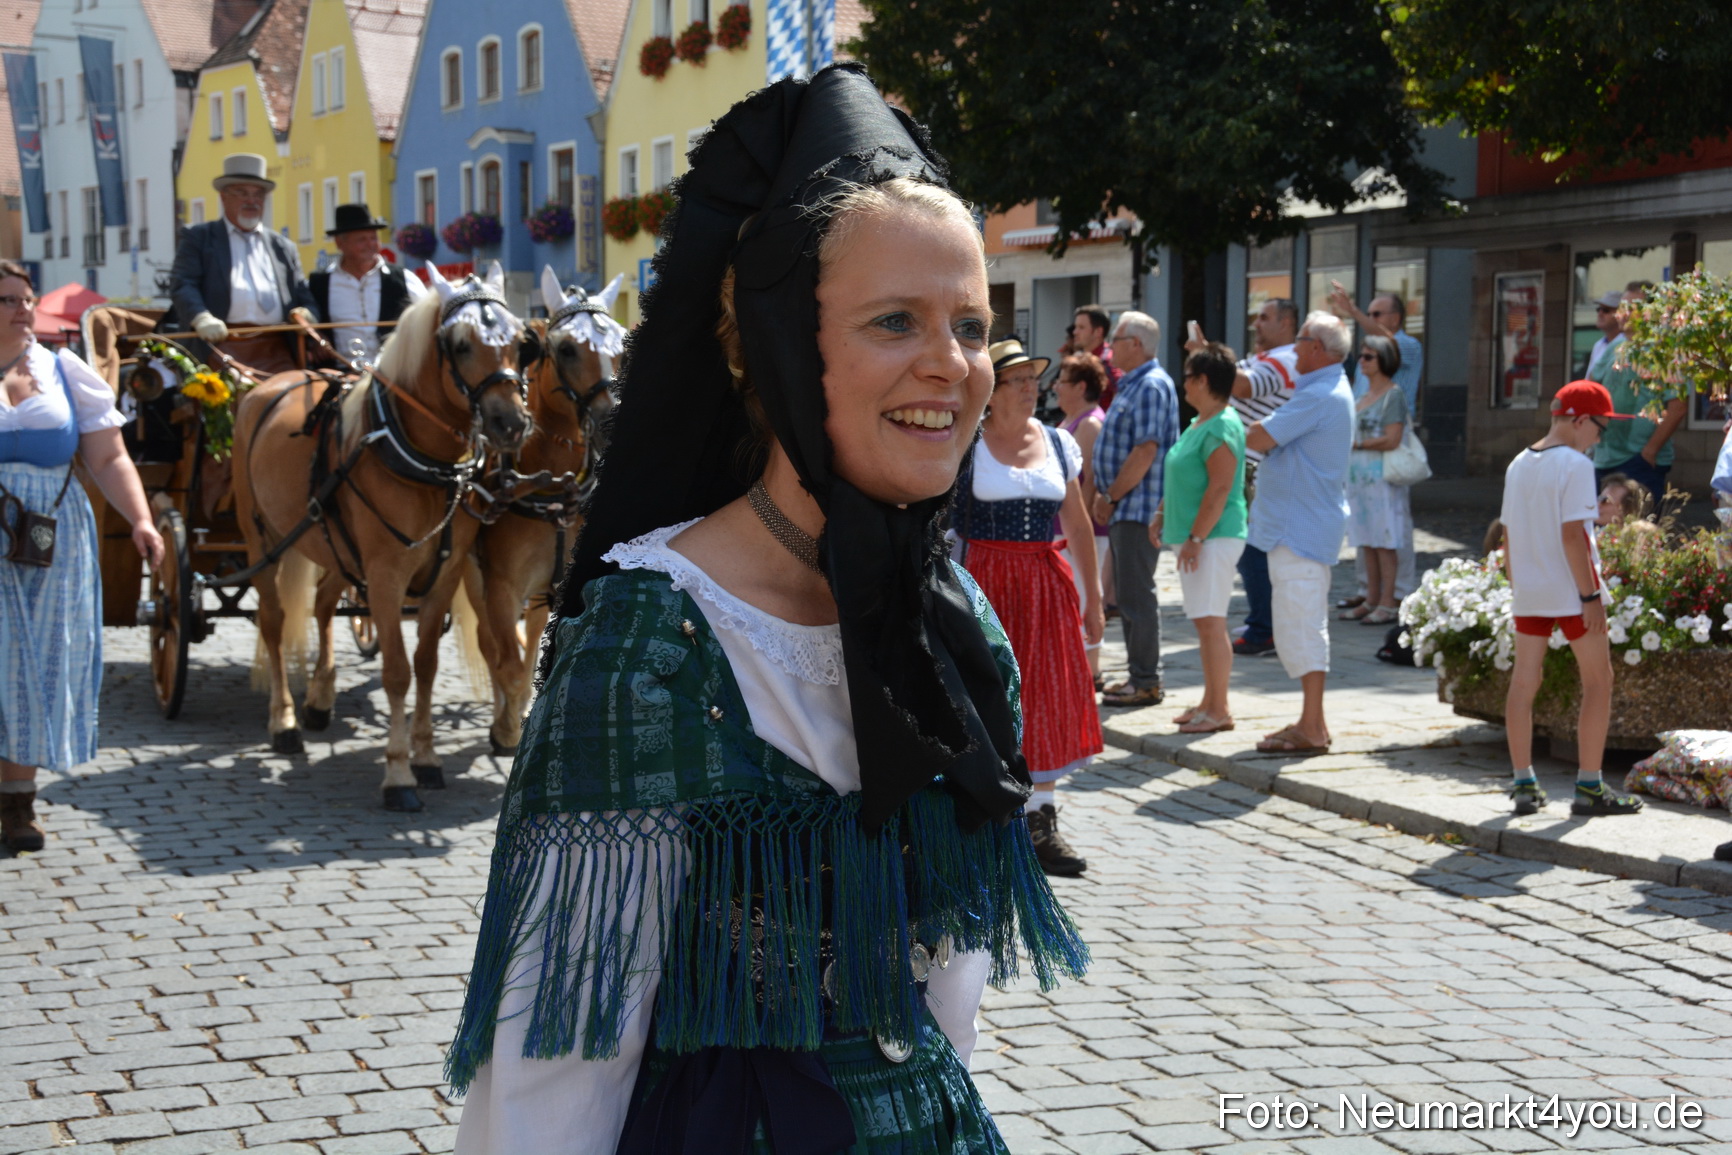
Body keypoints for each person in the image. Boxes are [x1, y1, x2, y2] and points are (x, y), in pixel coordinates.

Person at [446, 65, 1086, 1155]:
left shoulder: (954, 620)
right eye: (896, 321)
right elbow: (558, 1063)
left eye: (973, 326)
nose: (953, 366)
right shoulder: (655, 642)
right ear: (777, 344)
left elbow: (949, 996)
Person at [0, 260, 163, 852]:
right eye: (8, 300)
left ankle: (18, 803)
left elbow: (110, 458)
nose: (23, 309)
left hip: (51, 538)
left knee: (37, 664)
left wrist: (140, 520)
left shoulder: (63, 369)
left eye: (26, 298)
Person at [953, 339, 1104, 877]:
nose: (1030, 386)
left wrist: (1094, 601)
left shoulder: (1060, 444)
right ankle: (992, 811)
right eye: (1016, 379)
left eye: (1031, 378)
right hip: (985, 582)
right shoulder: (966, 444)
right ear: (991, 391)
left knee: (1047, 692)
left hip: (1043, 583)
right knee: (986, 690)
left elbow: (1079, 523)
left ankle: (1042, 819)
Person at [1501, 380, 1644, 819]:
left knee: (1525, 681)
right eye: (1601, 427)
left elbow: (1507, 535)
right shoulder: (1576, 465)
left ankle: (1523, 781)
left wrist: (1517, 585)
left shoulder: (1518, 462)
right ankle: (1589, 786)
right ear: (1580, 420)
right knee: (1599, 680)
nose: (1602, 437)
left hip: (1530, 590)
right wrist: (1590, 595)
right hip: (1570, 590)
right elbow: (1573, 536)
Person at [1243, 311, 1354, 755]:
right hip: (1299, 526)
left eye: (1299, 342)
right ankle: (1313, 723)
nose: (1293, 352)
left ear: (1315, 349)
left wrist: (1220, 421)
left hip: (1300, 529)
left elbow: (1260, 436)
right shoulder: (1319, 389)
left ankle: (1311, 727)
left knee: (1302, 626)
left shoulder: (1321, 394)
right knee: (1298, 625)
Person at [1197, 297, 1299, 659]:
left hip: (1255, 467)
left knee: (1251, 549)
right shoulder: (1264, 358)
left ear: (1287, 323)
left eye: (1266, 318)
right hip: (1248, 465)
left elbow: (1240, 387)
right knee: (1248, 550)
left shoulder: (1286, 360)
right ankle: (1264, 622)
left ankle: (1265, 630)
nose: (1256, 323)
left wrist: (1204, 354)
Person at [1154, 343, 1247, 735]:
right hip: (1199, 537)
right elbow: (1182, 477)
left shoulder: (1222, 424)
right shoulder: (1200, 422)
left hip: (1214, 538)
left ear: (1203, 380)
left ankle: (1219, 708)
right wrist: (1162, 514)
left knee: (1211, 623)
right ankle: (1209, 701)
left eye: (1189, 376)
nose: (1184, 383)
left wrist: (1195, 536)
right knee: (1205, 621)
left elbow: (1220, 488)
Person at [1091, 310, 1179, 708]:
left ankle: (1145, 681)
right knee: (1128, 595)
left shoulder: (1150, 386)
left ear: (1137, 345)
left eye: (1117, 340)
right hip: (1129, 505)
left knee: (1135, 597)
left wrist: (1110, 496)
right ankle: (1138, 676)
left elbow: (1146, 451)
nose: (1109, 349)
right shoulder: (1133, 384)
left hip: (1137, 507)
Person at [168, 153, 318, 376]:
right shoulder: (199, 238)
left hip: (276, 348)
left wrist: (307, 313)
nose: (252, 201)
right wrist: (201, 317)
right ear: (223, 196)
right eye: (242, 193)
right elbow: (183, 284)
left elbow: (303, 294)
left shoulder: (283, 246)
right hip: (221, 345)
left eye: (259, 194)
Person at [1330, 285, 1424, 609]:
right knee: (1365, 530)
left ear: (1395, 318)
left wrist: (1352, 312)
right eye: (1367, 313)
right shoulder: (1369, 352)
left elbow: (1388, 343)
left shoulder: (1406, 346)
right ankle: (1367, 590)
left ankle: (1397, 593)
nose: (1368, 319)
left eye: (1375, 314)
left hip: (1389, 445)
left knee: (1394, 530)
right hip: (1361, 459)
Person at [1590, 282, 1686, 501]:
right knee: (1604, 531)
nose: (1622, 313)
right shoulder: (1614, 348)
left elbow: (1678, 408)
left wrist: (1649, 453)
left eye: (1631, 307)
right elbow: (1592, 389)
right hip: (1604, 458)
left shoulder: (1665, 350)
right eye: (1622, 306)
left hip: (1640, 461)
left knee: (1638, 530)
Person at [1341, 335, 1412, 627]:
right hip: (1359, 478)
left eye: (1369, 357)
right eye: (1362, 355)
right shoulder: (1361, 397)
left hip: (1381, 476)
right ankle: (1370, 598)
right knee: (1366, 539)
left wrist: (1360, 445)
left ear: (1384, 361)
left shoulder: (1393, 395)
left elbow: (1393, 438)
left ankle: (1387, 601)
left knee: (1384, 539)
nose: (1362, 361)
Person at [1052, 351, 1110, 684]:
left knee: (1087, 597)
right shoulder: (1070, 421)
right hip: (1067, 532)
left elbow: (1086, 484)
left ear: (1082, 386)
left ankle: (1093, 672)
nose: (1056, 387)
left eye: (1063, 381)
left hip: (1084, 531)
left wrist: (1079, 533)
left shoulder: (1089, 424)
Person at [310, 203, 428, 362]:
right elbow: (305, 323)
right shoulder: (318, 284)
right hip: (339, 376)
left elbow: (428, 320)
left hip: (392, 375)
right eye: (362, 240)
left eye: (374, 238)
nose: (371, 244)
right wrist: (315, 339)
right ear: (340, 243)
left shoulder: (404, 279)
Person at [1067, 304, 1122, 406]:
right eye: (1075, 327)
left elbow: (1122, 393)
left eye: (1081, 327)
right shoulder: (1081, 358)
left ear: (1098, 332)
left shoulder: (1107, 361)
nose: (1075, 332)